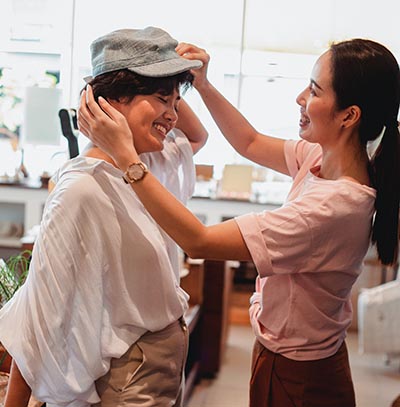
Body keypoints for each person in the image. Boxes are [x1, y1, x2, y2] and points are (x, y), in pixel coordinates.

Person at [79, 37, 400, 407]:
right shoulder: (319, 158)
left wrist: (126, 157)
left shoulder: (336, 206)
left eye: (314, 90)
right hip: (285, 356)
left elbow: (198, 241)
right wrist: (204, 85)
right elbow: (247, 142)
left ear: (349, 115)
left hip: (303, 375)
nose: (300, 98)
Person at [0, 26, 207, 407]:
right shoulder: (81, 188)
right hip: (129, 379)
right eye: (162, 99)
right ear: (111, 102)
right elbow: (41, 311)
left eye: (177, 102)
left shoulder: (148, 164)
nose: (173, 116)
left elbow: (197, 137)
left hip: (160, 366)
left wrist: (175, 73)